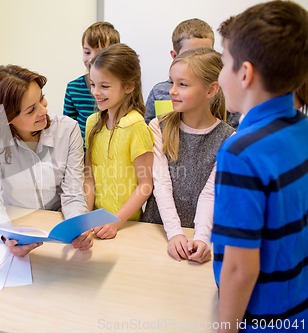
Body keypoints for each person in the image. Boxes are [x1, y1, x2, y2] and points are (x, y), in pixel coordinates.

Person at [211, 2, 308, 332]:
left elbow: (240, 269)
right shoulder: (302, 128)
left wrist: (226, 327)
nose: (220, 76)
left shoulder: (240, 153)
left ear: (245, 73)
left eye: (222, 63)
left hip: (262, 320)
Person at [0, 65, 92, 257]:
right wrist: (8, 237)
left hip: (56, 228)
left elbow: (73, 193)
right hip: (17, 224)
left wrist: (78, 227)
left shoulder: (68, 130)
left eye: (41, 98)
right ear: (6, 119)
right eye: (31, 110)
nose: (43, 109)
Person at [143, 48, 234, 263]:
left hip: (202, 234)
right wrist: (175, 233)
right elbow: (161, 184)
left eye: (182, 84)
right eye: (172, 82)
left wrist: (202, 238)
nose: (172, 91)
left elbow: (210, 194)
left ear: (211, 90)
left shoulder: (229, 138)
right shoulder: (159, 125)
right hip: (159, 229)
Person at [85, 43, 154, 239]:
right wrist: (85, 218)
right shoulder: (92, 123)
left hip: (126, 227)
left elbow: (145, 185)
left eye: (104, 86)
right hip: (96, 224)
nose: (95, 92)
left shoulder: (136, 125)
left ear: (129, 86)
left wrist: (116, 222)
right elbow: (89, 177)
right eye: (93, 84)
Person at [64, 22, 120, 142]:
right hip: (82, 154)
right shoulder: (73, 88)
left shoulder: (120, 88)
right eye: (87, 52)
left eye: (100, 53)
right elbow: (67, 128)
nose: (92, 59)